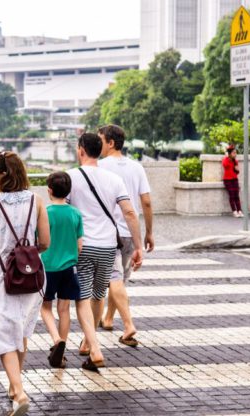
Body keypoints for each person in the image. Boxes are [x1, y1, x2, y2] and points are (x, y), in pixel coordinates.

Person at [0, 151, 50, 416]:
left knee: (3, 332)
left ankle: (19, 391)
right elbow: (45, 243)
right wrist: (25, 255)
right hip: (32, 276)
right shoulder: (36, 200)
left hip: (0, 275)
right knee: (20, 331)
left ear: (4, 174)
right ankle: (15, 386)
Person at [66, 133, 143, 372]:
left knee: (83, 296)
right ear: (100, 150)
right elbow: (130, 213)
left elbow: (64, 211)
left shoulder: (70, 177)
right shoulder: (113, 179)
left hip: (83, 245)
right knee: (99, 294)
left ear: (80, 150)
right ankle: (89, 340)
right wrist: (138, 246)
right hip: (108, 246)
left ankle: (92, 343)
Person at [98, 125, 155, 347]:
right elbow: (147, 202)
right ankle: (109, 318)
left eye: (101, 139)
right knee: (119, 279)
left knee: (113, 279)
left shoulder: (100, 167)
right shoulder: (136, 167)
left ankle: (127, 324)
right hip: (130, 232)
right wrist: (148, 232)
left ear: (110, 143)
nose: (99, 143)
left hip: (108, 232)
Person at [39, 171, 82, 369]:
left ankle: (57, 340)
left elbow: (39, 241)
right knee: (64, 310)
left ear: (49, 190)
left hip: (48, 268)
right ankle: (62, 353)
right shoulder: (75, 213)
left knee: (45, 307)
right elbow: (80, 246)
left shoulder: (45, 213)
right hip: (70, 267)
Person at [222, 145, 243, 217]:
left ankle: (239, 210)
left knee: (237, 195)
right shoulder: (225, 160)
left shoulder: (235, 161)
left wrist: (236, 168)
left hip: (235, 179)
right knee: (232, 195)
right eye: (234, 153)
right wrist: (228, 158)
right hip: (227, 180)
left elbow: (237, 171)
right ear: (230, 153)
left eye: (235, 153)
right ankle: (234, 211)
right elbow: (225, 165)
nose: (235, 154)